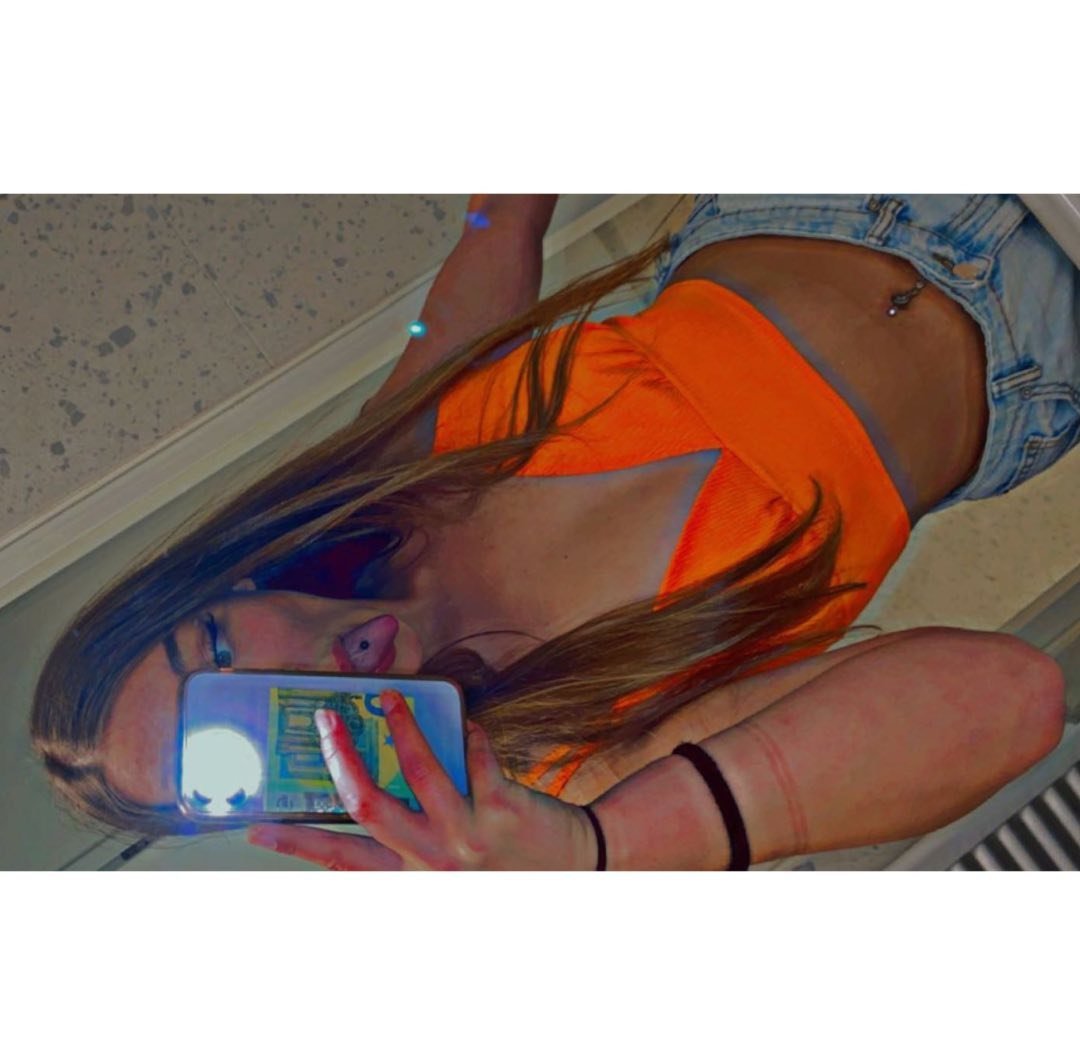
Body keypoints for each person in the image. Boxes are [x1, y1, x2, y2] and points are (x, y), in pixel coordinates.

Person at [30, 194, 1075, 869]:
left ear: (224, 585)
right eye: (235, 750)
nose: (272, 693)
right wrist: (600, 853)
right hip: (1040, 346)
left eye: (216, 654)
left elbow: (496, 240)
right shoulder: (583, 771)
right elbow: (1013, 696)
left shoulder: (389, 477)